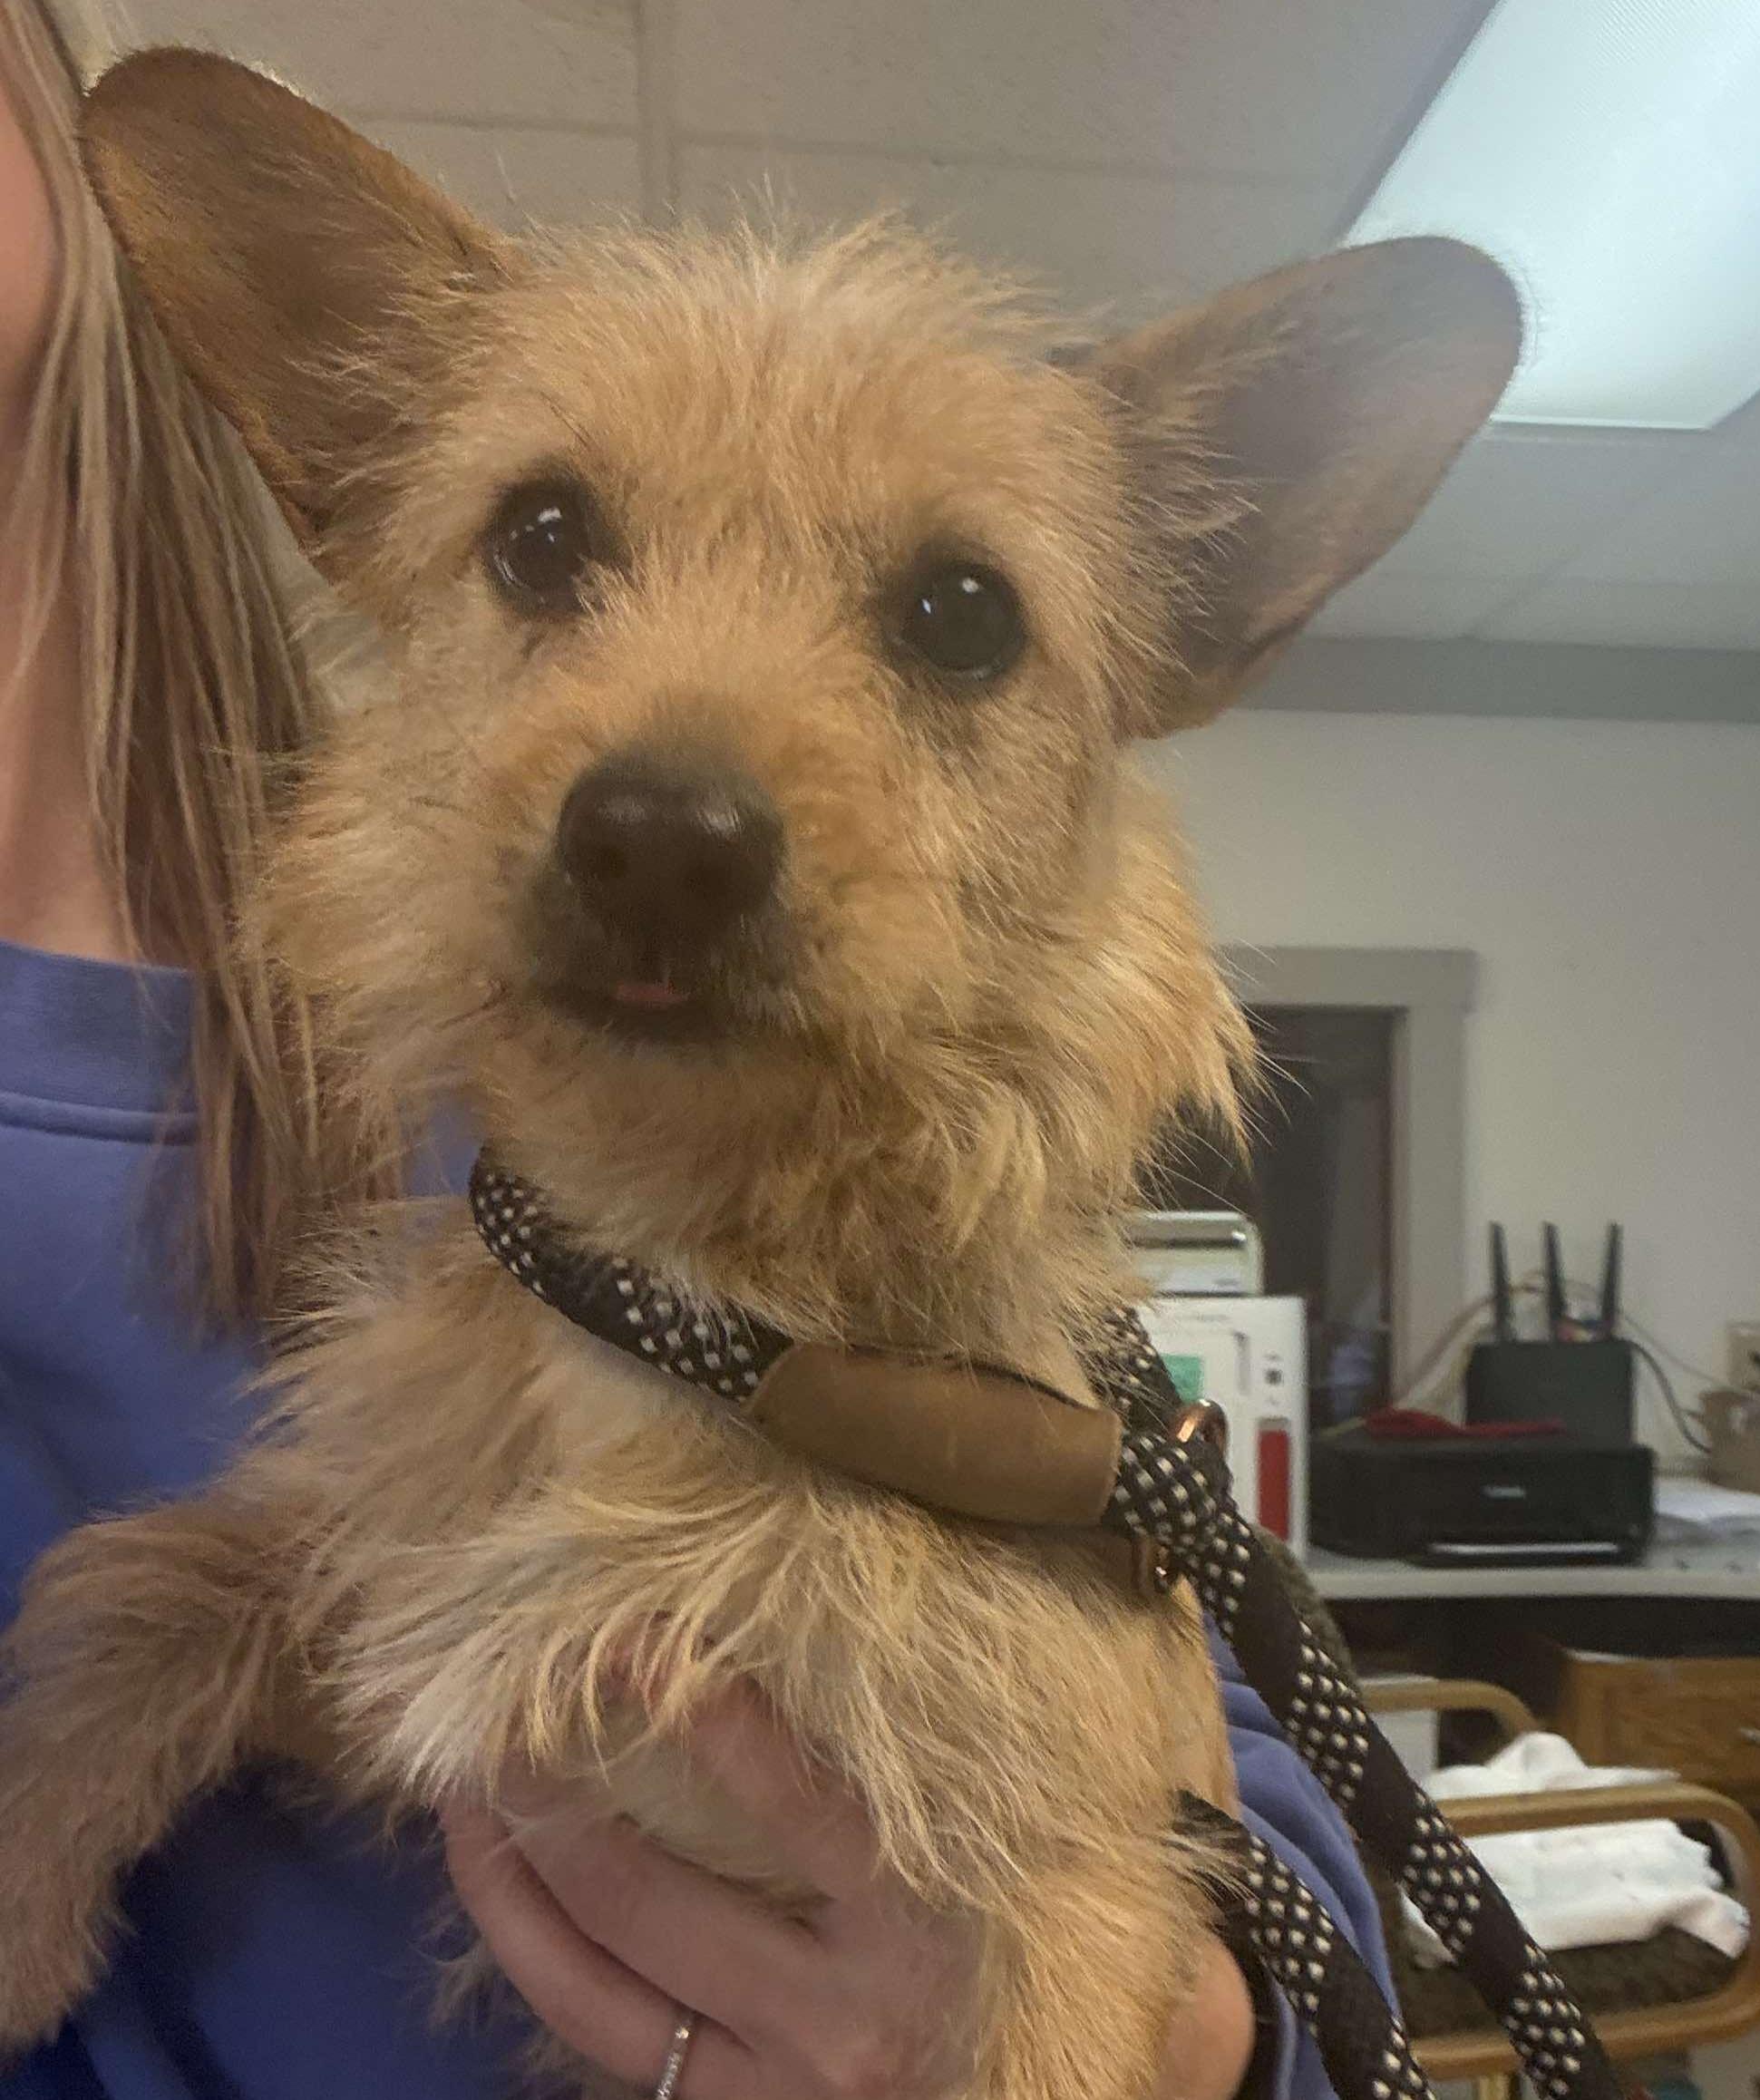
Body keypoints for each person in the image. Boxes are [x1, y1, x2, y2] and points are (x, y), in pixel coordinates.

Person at [0, 5, 1392, 2096]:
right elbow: (375, 1619)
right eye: (552, 547)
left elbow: (1200, 1867)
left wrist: (1226, 2034)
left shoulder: (971, 1400)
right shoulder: (454, 1308)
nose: (675, 794)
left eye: (950, 618)